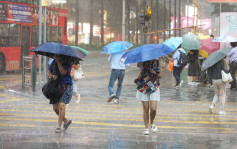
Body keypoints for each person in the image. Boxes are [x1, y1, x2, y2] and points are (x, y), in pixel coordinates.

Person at [135, 59, 162, 135]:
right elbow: (138, 65)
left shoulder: (157, 62)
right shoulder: (142, 61)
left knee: (153, 109)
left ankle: (151, 123)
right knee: (145, 108)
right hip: (143, 86)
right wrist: (143, 60)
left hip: (153, 86)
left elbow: (160, 76)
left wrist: (155, 73)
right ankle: (146, 127)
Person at [48, 55, 73, 133]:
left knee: (61, 105)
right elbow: (49, 72)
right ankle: (66, 121)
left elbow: (63, 72)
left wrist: (59, 62)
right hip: (56, 86)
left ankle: (58, 126)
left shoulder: (68, 61)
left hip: (66, 85)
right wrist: (52, 76)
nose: (56, 56)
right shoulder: (53, 61)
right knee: (55, 108)